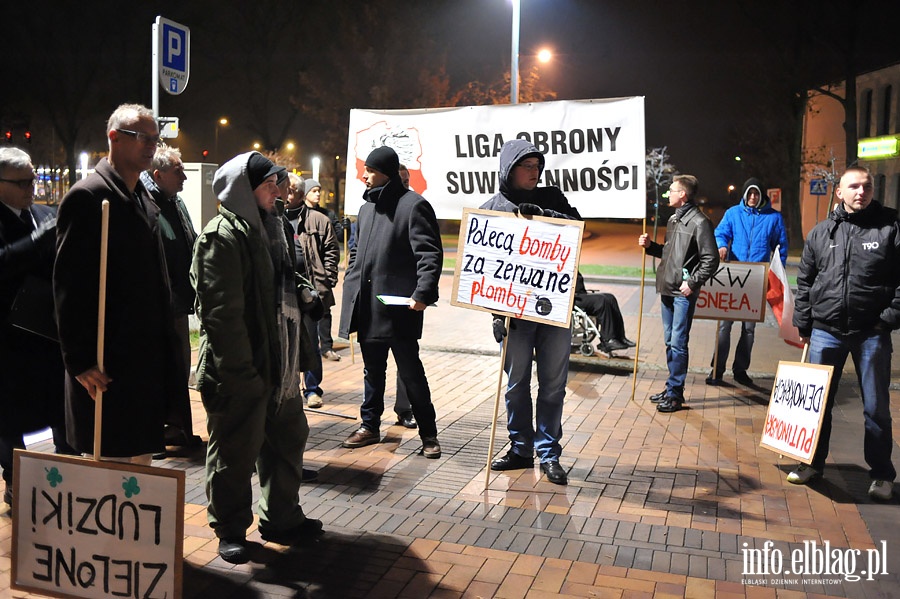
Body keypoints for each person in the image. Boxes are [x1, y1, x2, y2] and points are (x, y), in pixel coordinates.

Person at [192, 152, 322, 564]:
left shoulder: (276, 225)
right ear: (245, 192)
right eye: (269, 185)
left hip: (279, 364)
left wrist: (305, 290)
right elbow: (220, 315)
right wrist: (242, 374)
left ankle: (281, 517)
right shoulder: (222, 236)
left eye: (278, 184)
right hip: (241, 369)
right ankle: (230, 528)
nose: (279, 192)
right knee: (234, 452)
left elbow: (287, 271)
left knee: (287, 440)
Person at [54, 103, 188, 464]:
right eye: (142, 137)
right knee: (108, 470)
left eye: (154, 139)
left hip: (142, 364)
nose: (151, 146)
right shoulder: (88, 197)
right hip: (105, 366)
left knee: (139, 469)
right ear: (114, 137)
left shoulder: (142, 198)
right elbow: (68, 285)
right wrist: (79, 361)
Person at [788, 166, 899, 501]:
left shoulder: (890, 228)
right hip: (826, 332)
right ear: (840, 192)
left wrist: (887, 319)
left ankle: (881, 475)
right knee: (816, 405)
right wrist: (804, 324)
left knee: (876, 408)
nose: (861, 192)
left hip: (871, 334)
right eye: (853, 186)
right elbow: (805, 281)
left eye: (866, 186)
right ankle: (810, 463)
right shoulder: (822, 233)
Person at [481, 139, 582, 485]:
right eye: (527, 166)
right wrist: (495, 313)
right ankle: (521, 448)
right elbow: (483, 269)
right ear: (509, 168)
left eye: (538, 167)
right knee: (516, 384)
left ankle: (549, 453)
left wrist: (547, 217)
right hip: (514, 314)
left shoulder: (552, 198)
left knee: (554, 385)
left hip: (555, 309)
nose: (535, 172)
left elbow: (578, 233)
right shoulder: (490, 208)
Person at [338, 146, 442, 458]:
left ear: (384, 171)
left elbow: (429, 254)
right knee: (372, 370)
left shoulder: (414, 206)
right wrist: (352, 281)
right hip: (368, 305)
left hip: (400, 309)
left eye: (368, 170)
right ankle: (369, 426)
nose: (363, 175)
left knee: (411, 373)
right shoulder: (366, 208)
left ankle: (429, 435)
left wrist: (423, 294)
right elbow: (357, 251)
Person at [0, 147, 76, 507]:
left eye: (33, 179)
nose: (33, 187)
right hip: (8, 341)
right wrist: (37, 241)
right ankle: (16, 481)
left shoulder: (45, 214)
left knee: (57, 407)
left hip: (47, 335)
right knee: (9, 417)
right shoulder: (36, 225)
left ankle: (67, 475)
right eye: (23, 182)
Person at [140, 144, 202, 453]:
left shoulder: (173, 201)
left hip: (177, 300)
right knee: (159, 369)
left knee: (178, 366)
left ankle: (178, 429)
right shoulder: (143, 201)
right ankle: (155, 435)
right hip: (155, 305)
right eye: (178, 172)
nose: (184, 178)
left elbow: (187, 242)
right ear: (158, 174)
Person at [638, 175, 718, 413]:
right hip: (667, 289)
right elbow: (670, 254)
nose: (668, 194)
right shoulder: (674, 220)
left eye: (671, 191)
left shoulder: (700, 222)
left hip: (682, 293)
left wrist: (692, 283)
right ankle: (671, 386)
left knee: (678, 343)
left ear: (683, 194)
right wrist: (650, 246)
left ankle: (675, 394)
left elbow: (710, 259)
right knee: (670, 342)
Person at [707, 177, 788, 386]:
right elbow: (720, 233)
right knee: (724, 326)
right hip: (733, 276)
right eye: (750, 193)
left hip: (756, 278)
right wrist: (722, 245)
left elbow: (781, 246)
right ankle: (717, 369)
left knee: (749, 329)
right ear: (745, 194)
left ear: (762, 196)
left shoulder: (774, 218)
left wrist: (777, 269)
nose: (753, 197)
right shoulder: (733, 213)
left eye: (757, 194)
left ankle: (740, 369)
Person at [285, 174, 339, 408]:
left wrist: (326, 279)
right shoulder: (273, 218)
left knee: (310, 340)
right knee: (287, 342)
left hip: (311, 292)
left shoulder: (319, 220)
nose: (285, 194)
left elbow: (331, 251)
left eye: (290, 190)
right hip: (284, 291)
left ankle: (313, 389)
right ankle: (290, 388)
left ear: (299, 193)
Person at [298, 178, 342, 363]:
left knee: (324, 312)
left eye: (319, 190)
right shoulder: (295, 216)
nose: (317, 194)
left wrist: (329, 277)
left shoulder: (326, 215)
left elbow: (335, 243)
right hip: (303, 279)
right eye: (313, 190)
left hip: (320, 277)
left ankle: (326, 346)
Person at [573, 271, 635, 354]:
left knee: (610, 298)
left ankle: (620, 337)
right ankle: (608, 339)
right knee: (602, 301)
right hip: (573, 299)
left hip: (580, 294)